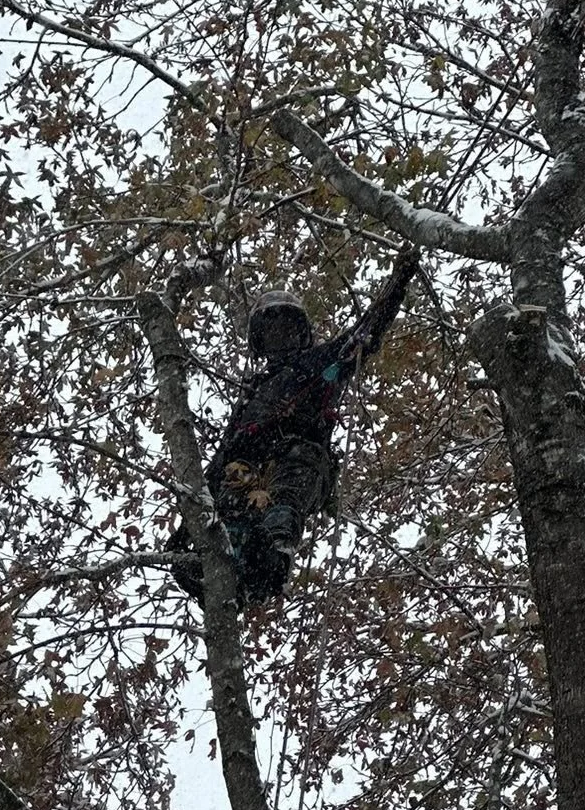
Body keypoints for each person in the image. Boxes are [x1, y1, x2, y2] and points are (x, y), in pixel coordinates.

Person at [172, 248, 421, 603]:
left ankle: (274, 555)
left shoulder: (319, 365)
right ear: (261, 341)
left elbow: (366, 333)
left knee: (284, 499)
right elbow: (225, 452)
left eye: (287, 331)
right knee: (220, 514)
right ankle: (229, 570)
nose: (280, 339)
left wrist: (397, 284)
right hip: (247, 468)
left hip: (298, 459)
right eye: (272, 333)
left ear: (301, 333)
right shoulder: (252, 392)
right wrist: (191, 518)